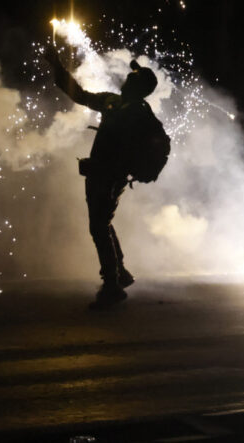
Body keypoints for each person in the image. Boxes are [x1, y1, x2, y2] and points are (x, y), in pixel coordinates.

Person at [46, 48, 159, 309]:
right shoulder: (113, 102)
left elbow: (138, 148)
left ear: (140, 87)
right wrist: (58, 68)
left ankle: (112, 285)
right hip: (99, 174)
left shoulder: (140, 114)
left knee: (98, 226)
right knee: (102, 223)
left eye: (133, 78)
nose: (127, 80)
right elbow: (80, 95)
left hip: (111, 176)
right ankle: (119, 274)